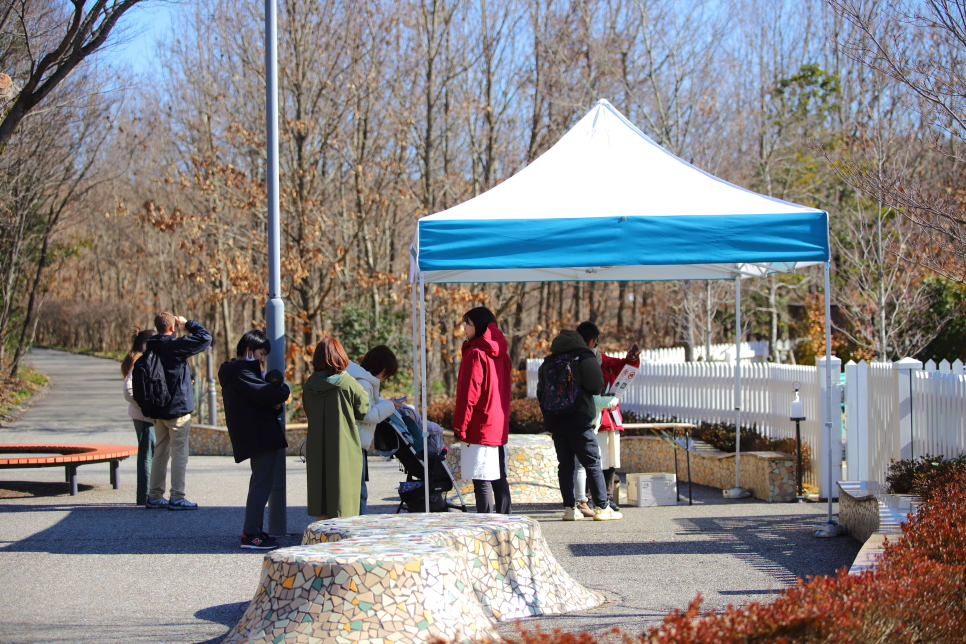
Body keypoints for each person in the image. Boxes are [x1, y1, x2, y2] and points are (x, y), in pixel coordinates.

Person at [537, 323, 622, 521]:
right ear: (588, 341)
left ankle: (569, 508)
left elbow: (541, 392)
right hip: (580, 418)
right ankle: (602, 507)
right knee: (592, 462)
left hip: (556, 421)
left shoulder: (549, 361)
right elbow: (595, 387)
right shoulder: (585, 358)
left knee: (565, 465)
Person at [219, 330, 291, 549]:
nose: (262, 359)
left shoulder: (235, 372)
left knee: (259, 484)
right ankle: (251, 535)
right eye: (261, 353)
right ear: (249, 351)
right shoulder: (242, 373)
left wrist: (271, 398)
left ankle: (255, 531)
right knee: (261, 485)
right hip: (260, 436)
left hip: (255, 435)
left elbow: (263, 396)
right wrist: (278, 392)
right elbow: (274, 394)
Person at [144, 312, 212, 510]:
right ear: (173, 328)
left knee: (160, 453)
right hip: (177, 410)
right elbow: (205, 338)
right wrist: (187, 323)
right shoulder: (174, 346)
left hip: (158, 409)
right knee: (179, 453)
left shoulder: (151, 346)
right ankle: (177, 496)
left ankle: (155, 495)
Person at [452, 306, 512, 514]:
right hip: (499, 423)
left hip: (480, 423)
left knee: (482, 479)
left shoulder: (475, 354)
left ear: (478, 326)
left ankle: (485, 527)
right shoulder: (502, 353)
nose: (465, 329)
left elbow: (469, 395)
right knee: (498, 477)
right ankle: (508, 523)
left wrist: (460, 425)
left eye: (468, 324)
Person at [303, 337, 369, 520]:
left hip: (317, 447)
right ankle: (341, 543)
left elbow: (308, 410)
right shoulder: (347, 383)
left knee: (321, 497)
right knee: (344, 498)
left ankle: (323, 539)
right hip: (344, 448)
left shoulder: (309, 384)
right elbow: (363, 409)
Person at [346, 345, 405, 515]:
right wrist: (389, 406)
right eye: (385, 374)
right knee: (359, 492)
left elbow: (367, 405)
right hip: (356, 443)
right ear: (380, 368)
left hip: (354, 441)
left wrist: (386, 403)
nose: (384, 378)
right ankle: (358, 528)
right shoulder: (364, 383)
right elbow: (367, 414)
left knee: (357, 490)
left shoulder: (358, 378)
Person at [121, 326, 158, 506]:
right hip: (144, 417)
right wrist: (146, 405)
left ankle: (148, 494)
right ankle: (144, 495)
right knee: (147, 455)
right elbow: (128, 389)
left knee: (149, 453)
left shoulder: (138, 358)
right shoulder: (138, 360)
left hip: (144, 415)